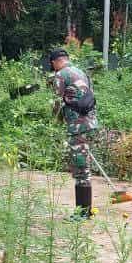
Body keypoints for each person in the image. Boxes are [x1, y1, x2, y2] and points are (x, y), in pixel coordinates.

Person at [47, 49, 99, 216]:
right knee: (82, 165)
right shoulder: (81, 72)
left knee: (80, 167)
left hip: (78, 127)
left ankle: (83, 213)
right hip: (90, 123)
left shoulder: (61, 75)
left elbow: (57, 102)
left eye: (52, 64)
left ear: (55, 62)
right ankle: (84, 211)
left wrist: (54, 121)